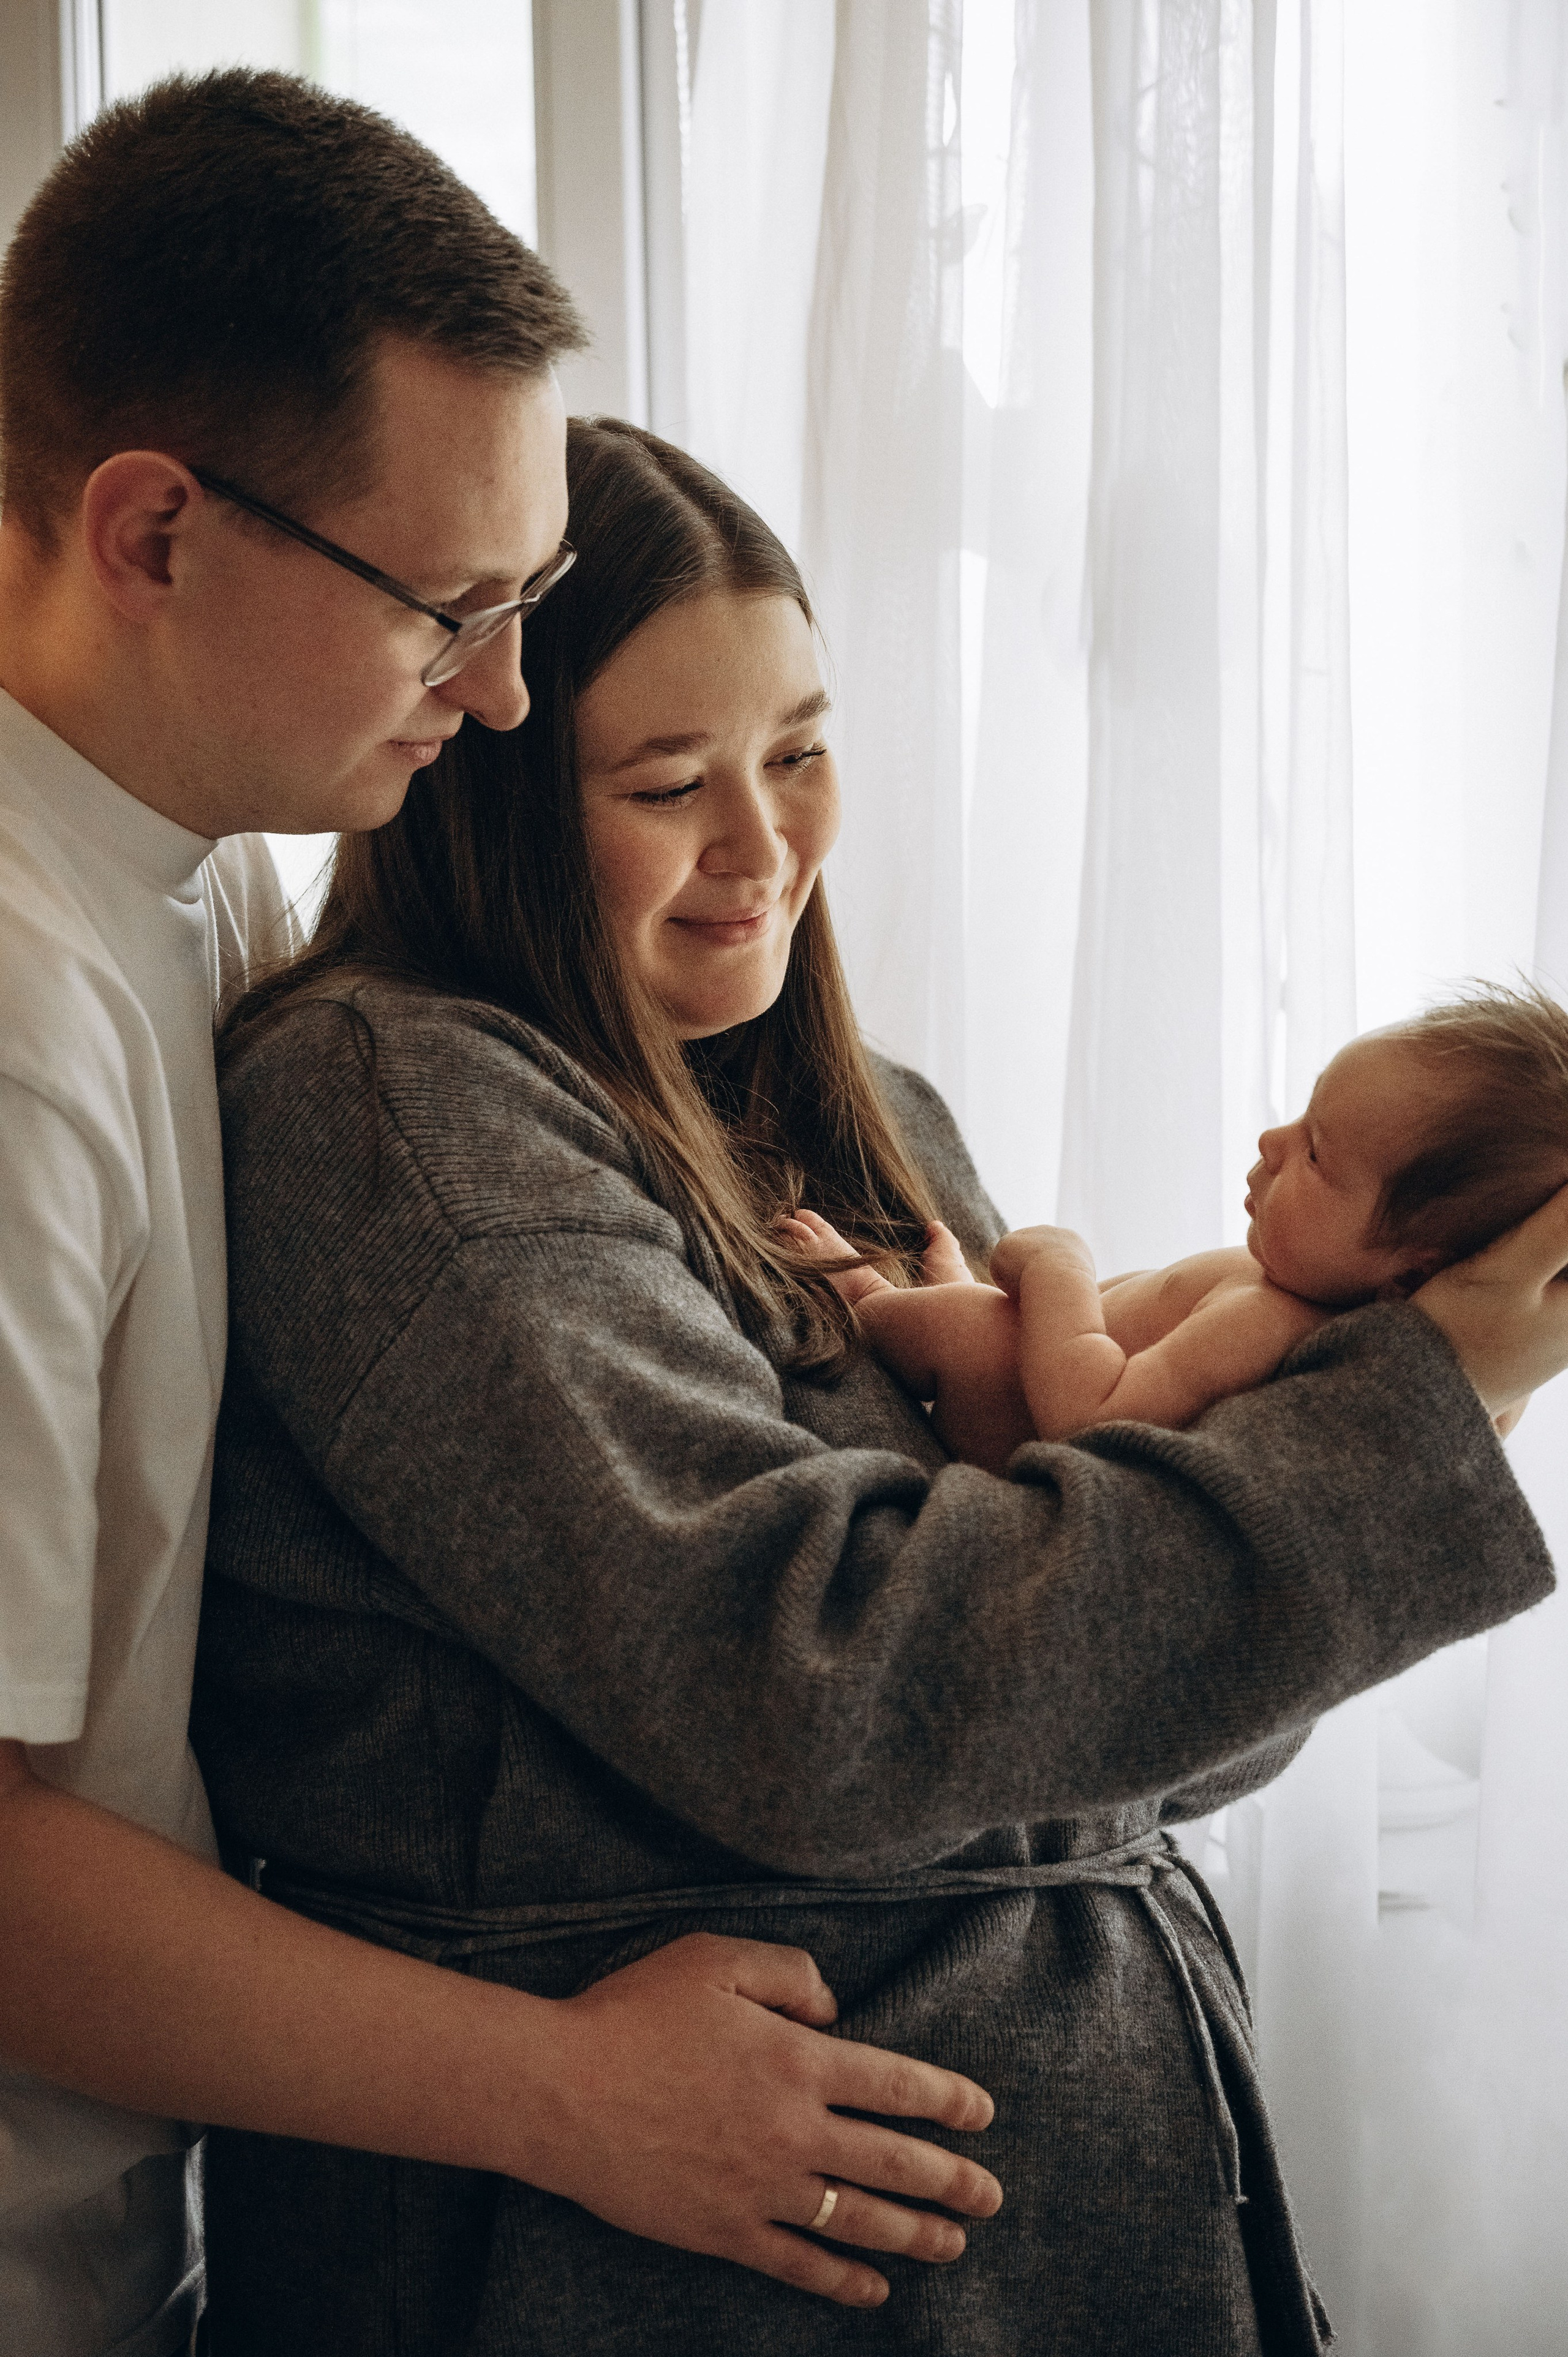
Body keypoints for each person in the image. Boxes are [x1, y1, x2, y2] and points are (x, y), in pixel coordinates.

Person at [192, 416, 1568, 2355]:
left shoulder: (863, 1117)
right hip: (655, 2280)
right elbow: (805, 1693)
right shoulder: (400, 1112)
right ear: (476, 791)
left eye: (801, 751)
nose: (764, 849)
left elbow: (1149, 1731)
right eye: (669, 782)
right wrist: (1388, 1423)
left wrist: (1422, 1405)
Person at [0, 74, 999, 2357]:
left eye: (526, 599)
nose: (507, 690)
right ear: (150, 532)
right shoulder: (21, 1015)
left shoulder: (190, 878)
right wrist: (568, 2090)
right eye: (447, 608)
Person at [790, 981, 1568, 1457]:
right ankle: (931, 1300)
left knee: (973, 1332)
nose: (1273, 1141)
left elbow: (1088, 1418)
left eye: (1316, 1153)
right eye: (1303, 1114)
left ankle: (871, 1305)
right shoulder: (1315, 1300)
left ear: (1413, 1270)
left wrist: (1062, 1270)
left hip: (1006, 1416)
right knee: (976, 1310)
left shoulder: (1267, 1321)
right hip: (1039, 1363)